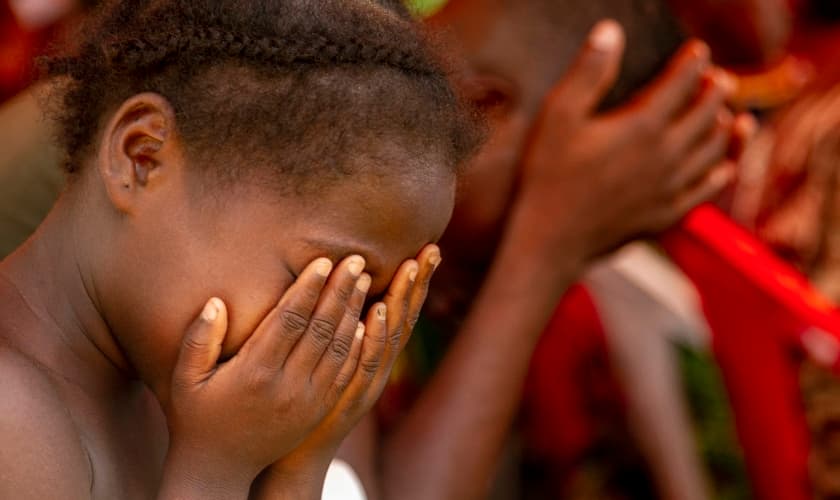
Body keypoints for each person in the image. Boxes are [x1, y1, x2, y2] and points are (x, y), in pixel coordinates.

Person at [0, 0, 483, 498]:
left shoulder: (190, 408)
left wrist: (297, 470)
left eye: (369, 304)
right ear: (141, 156)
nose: (335, 340)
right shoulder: (11, 420)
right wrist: (212, 472)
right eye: (321, 282)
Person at [334, 0, 752, 498]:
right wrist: (543, 252)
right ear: (484, 108)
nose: (471, 287)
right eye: (494, 251)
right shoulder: (314, 212)